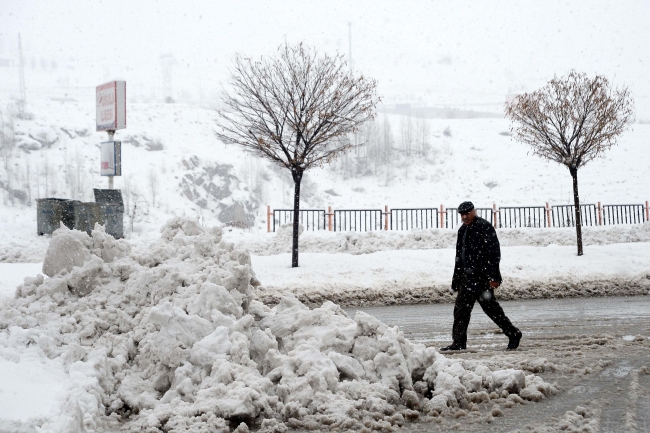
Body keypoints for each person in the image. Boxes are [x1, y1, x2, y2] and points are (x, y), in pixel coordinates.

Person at [441, 201, 522, 351]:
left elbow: (494, 253)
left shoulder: (484, 227)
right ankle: (458, 343)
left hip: (482, 278)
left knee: (492, 310)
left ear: (474, 211)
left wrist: (494, 277)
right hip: (467, 279)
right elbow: (459, 257)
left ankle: (513, 333)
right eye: (462, 214)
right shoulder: (462, 231)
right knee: (460, 310)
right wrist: (456, 279)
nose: (465, 217)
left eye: (467, 213)